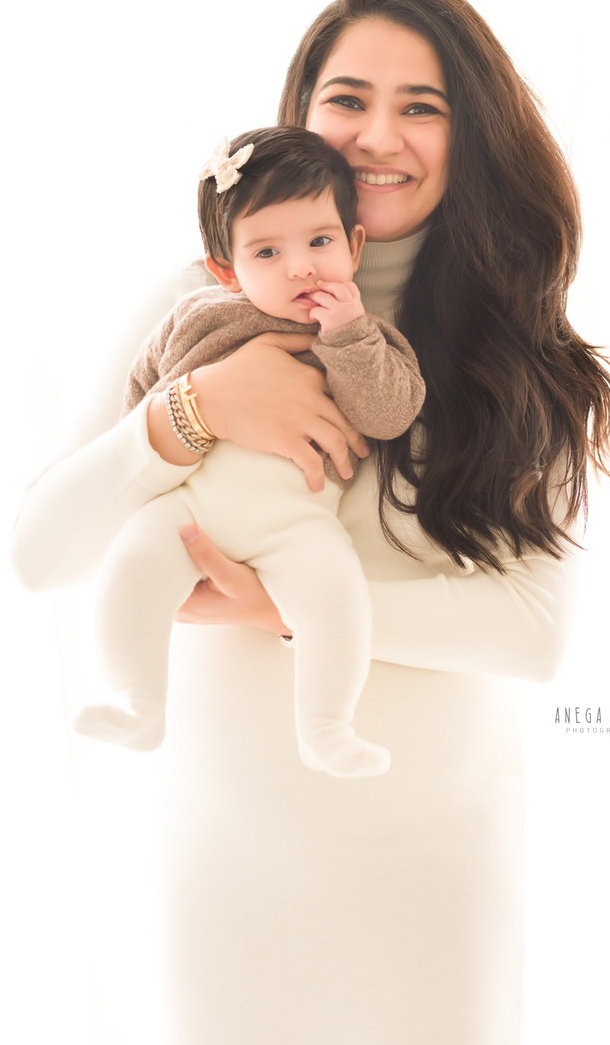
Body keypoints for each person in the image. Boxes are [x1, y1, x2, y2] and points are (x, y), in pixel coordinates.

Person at [12, 0, 610, 1045]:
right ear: (299, 115)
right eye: (348, 98)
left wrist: (279, 606)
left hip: (434, 867)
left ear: (470, 132)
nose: (377, 135)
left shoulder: (515, 344)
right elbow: (40, 553)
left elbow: (533, 635)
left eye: (422, 105)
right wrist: (191, 412)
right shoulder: (194, 305)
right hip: (230, 860)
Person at [74, 126, 425, 778]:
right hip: (189, 505)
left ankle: (326, 725)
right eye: (268, 251)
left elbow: (390, 413)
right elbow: (144, 399)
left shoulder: (368, 337)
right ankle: (138, 702)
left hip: (297, 525)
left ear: (353, 245)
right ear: (226, 269)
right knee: (131, 564)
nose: (300, 266)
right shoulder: (200, 318)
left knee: (336, 597)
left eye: (319, 241)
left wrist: (347, 333)